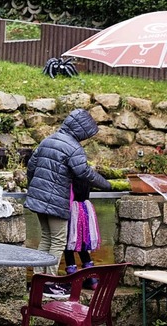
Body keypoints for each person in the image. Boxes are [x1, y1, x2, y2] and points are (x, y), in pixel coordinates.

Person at [25, 108, 111, 299]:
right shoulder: (73, 147)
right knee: (57, 240)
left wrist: (34, 189)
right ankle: (49, 284)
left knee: (46, 238)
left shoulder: (48, 140)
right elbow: (84, 173)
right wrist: (107, 184)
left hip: (38, 198)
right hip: (55, 201)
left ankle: (38, 281)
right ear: (81, 130)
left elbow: (31, 167)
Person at [64, 179, 101, 289]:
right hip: (85, 208)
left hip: (73, 209)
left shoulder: (70, 177)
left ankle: (72, 278)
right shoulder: (85, 175)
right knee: (83, 243)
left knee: (69, 243)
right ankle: (92, 278)